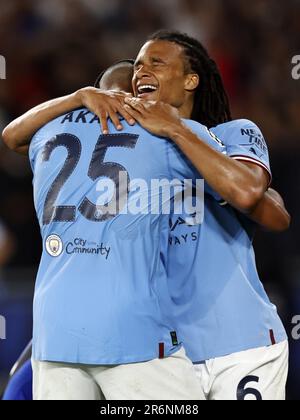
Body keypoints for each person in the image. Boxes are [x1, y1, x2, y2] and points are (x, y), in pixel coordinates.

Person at [3, 31, 290, 400]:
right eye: (136, 69)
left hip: (235, 341)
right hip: (159, 342)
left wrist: (177, 134)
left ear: (190, 80)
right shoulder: (129, 156)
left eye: (155, 63)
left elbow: (274, 213)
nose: (138, 79)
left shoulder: (229, 134)